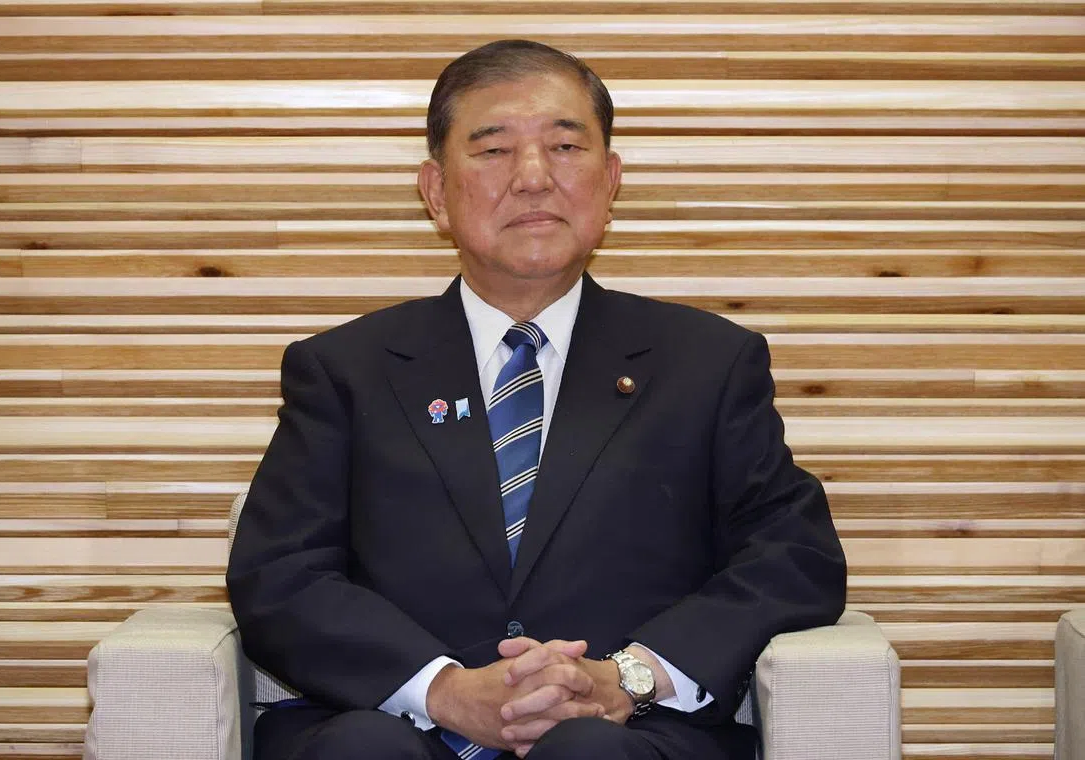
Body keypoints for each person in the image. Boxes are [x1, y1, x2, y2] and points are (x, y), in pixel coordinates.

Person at [226, 39, 846, 760]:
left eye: (563, 146)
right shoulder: (343, 370)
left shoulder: (709, 362)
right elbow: (279, 573)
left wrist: (628, 678)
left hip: (628, 737)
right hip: (396, 731)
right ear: (434, 192)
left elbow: (792, 556)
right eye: (492, 151)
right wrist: (444, 689)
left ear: (610, 181)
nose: (532, 178)